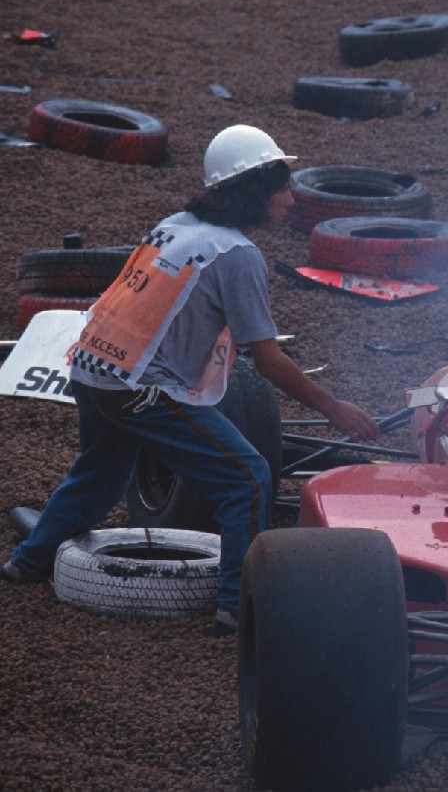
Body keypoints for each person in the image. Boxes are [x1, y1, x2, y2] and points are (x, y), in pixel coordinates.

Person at [1, 125, 380, 635]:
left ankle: (28, 560)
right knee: (245, 477)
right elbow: (266, 360)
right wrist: (333, 408)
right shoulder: (237, 255)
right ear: (254, 190)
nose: (292, 199)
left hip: (92, 366)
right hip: (139, 386)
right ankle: (235, 607)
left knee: (99, 473)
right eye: (283, 188)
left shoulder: (175, 226)